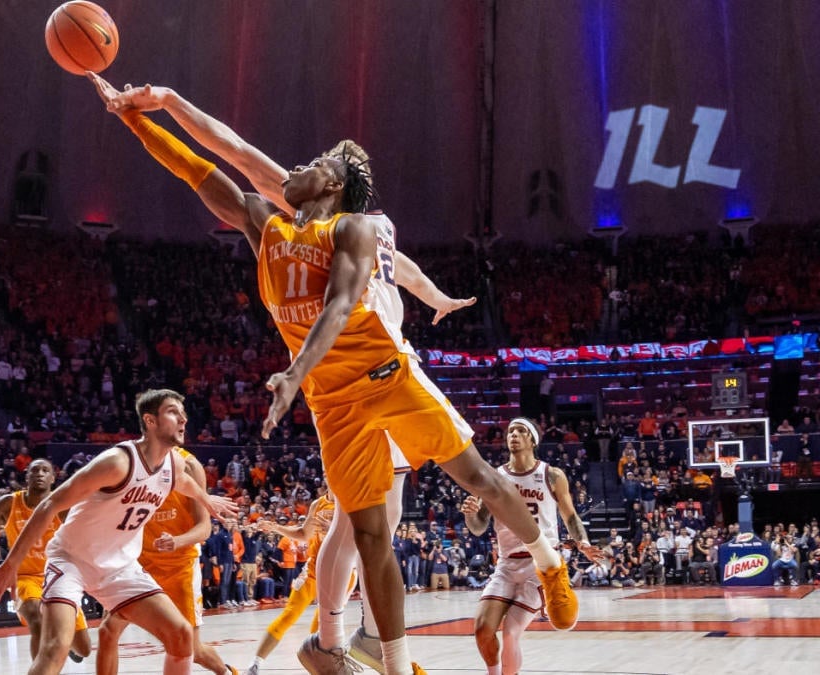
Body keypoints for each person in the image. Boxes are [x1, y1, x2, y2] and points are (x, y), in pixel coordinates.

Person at [91, 75, 578, 675]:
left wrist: (299, 368)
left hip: (385, 372)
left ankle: (548, 561)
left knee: (477, 479)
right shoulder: (268, 225)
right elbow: (205, 164)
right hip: (331, 398)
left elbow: (343, 302)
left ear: (336, 183)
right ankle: (365, 652)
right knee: (368, 532)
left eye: (316, 161)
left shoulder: (354, 227)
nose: (295, 164)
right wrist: (139, 114)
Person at [0, 389, 237, 675]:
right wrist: (10, 565)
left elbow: (182, 482)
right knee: (56, 647)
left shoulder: (174, 463)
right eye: (174, 412)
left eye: (183, 413)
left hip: (120, 567)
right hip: (71, 560)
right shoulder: (117, 462)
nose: (183, 419)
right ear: (150, 421)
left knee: (182, 635)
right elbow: (49, 504)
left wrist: (205, 499)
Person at [460, 418, 605, 675]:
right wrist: (471, 515)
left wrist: (583, 544)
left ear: (532, 440)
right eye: (510, 431)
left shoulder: (551, 475)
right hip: (506, 564)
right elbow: (480, 526)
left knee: (510, 632)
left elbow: (570, 517)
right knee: (482, 629)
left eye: (520, 431)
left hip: (538, 566)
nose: (513, 435)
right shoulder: (495, 476)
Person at [95, 447, 238, 675]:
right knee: (108, 630)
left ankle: (227, 672)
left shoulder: (189, 465)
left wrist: (177, 541)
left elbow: (204, 528)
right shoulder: (129, 462)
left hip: (180, 566)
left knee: (193, 649)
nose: (180, 423)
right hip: (141, 568)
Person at [0, 458, 85, 658]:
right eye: (35, 470)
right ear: (26, 476)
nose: (40, 474)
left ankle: (62, 641)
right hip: (23, 576)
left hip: (58, 576)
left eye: (45, 470)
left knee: (83, 649)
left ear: (53, 478)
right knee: (36, 619)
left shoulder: (63, 503)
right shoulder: (9, 503)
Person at [244, 488, 348, 675]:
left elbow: (361, 537)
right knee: (289, 614)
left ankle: (319, 667)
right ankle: (254, 665)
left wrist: (334, 530)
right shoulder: (318, 504)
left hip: (343, 571)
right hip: (314, 569)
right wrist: (276, 528)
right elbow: (303, 534)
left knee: (322, 626)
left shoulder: (351, 502)